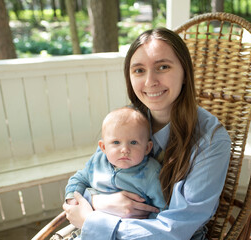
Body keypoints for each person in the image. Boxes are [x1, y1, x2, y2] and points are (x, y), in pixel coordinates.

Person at [63, 27, 231, 240]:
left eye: (163, 67)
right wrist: (98, 201)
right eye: (139, 70)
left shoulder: (211, 141)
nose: (150, 82)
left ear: (185, 73)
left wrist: (93, 221)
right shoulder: (128, 120)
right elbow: (89, 177)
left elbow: (176, 230)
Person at [65, 106, 166, 216]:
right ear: (103, 147)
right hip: (92, 219)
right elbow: (79, 179)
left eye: (133, 142)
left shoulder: (151, 172)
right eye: (116, 142)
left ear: (147, 148)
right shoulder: (97, 162)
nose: (125, 150)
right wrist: (72, 198)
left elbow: (162, 210)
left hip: (131, 227)